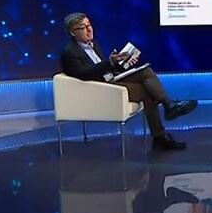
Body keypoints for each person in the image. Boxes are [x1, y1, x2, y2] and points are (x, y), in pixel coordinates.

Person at [60, 12, 197, 150]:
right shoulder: (70, 52)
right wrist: (109, 63)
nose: (89, 29)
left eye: (89, 25)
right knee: (148, 92)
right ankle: (161, 133)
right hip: (99, 89)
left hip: (109, 80)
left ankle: (168, 107)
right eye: (83, 27)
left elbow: (102, 69)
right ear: (72, 32)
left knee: (146, 71)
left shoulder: (93, 44)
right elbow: (84, 74)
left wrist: (121, 64)